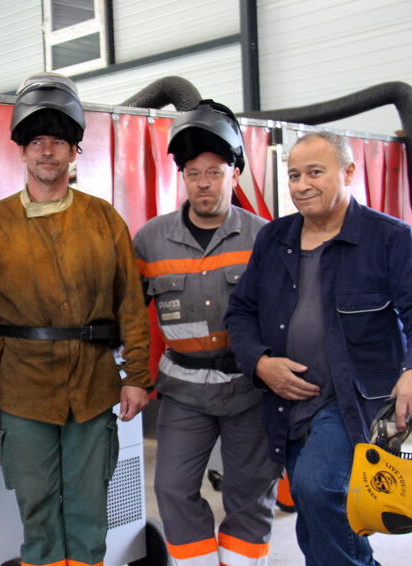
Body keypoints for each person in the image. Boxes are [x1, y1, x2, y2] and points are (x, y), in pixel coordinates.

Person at [0, 72, 151, 566]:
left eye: (58, 142)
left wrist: (136, 377)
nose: (47, 151)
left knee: (90, 512)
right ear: (22, 151)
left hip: (93, 385)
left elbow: (131, 306)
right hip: (21, 389)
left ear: (73, 152)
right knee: (37, 512)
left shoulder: (104, 219)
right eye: (38, 142)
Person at [225, 131, 412, 565]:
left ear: (348, 173)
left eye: (315, 172)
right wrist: (261, 363)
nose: (302, 185)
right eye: (294, 175)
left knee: (317, 486)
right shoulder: (274, 238)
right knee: (314, 520)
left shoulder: (390, 238)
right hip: (286, 403)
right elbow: (240, 312)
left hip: (354, 402)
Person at [133, 100, 280, 566]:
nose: (203, 183)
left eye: (214, 172)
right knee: (171, 488)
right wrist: (132, 376)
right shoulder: (150, 239)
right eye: (193, 173)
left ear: (234, 174)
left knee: (250, 493)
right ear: (182, 177)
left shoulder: (265, 237)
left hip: (250, 388)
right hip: (183, 391)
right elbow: (130, 315)